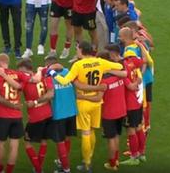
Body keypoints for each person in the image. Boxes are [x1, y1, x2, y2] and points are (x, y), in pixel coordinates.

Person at [47, 41, 126, 172]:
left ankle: (87, 163)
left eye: (77, 48)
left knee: (85, 133)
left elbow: (65, 80)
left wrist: (52, 74)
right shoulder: (100, 62)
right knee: (92, 131)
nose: (76, 51)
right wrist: (105, 69)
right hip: (97, 102)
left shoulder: (78, 65)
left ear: (82, 50)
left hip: (83, 102)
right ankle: (89, 157)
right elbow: (119, 66)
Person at [78, 50, 128, 171]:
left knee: (111, 138)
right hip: (121, 110)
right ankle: (115, 160)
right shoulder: (118, 75)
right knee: (116, 136)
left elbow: (98, 98)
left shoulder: (104, 81)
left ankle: (112, 164)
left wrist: (82, 96)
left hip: (109, 113)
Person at [0, 53, 29, 173]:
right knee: (14, 145)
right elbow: (27, 81)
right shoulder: (18, 74)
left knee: (1, 144)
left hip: (2, 116)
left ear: (0, 63)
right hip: (17, 117)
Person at [18, 59, 54, 173]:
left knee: (27, 142)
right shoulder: (43, 76)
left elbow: (17, 90)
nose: (19, 73)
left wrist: (33, 102)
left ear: (25, 69)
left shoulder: (25, 80)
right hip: (48, 114)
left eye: (20, 70)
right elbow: (50, 94)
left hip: (35, 116)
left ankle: (38, 169)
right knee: (44, 141)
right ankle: (38, 167)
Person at [118, 28, 147, 166]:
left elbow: (129, 86)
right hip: (138, 100)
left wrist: (134, 83)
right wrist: (139, 80)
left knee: (131, 129)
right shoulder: (134, 61)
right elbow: (145, 60)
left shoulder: (123, 67)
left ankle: (134, 157)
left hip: (129, 103)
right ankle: (142, 153)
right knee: (139, 127)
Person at [43, 56, 76, 173]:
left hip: (59, 113)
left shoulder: (48, 77)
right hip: (72, 111)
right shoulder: (67, 72)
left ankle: (66, 169)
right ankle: (62, 160)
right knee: (67, 138)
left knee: (60, 141)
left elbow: (50, 94)